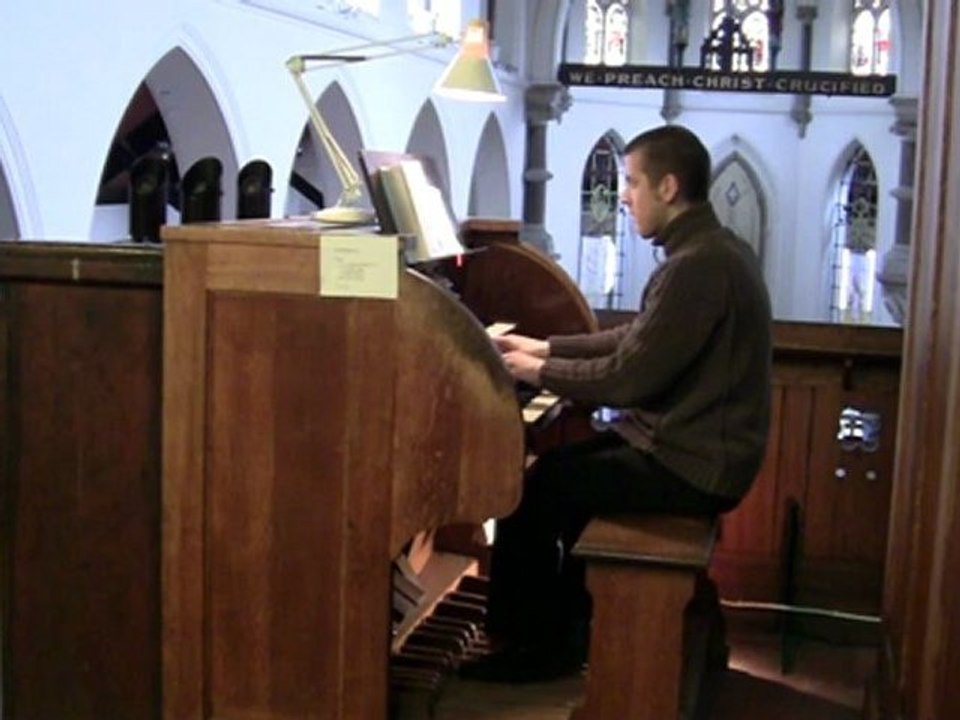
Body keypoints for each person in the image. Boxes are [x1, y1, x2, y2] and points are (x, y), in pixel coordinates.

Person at [460, 124, 772, 683]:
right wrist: (542, 345)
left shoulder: (698, 265)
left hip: (694, 462)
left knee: (533, 490)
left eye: (632, 182)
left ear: (669, 187)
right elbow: (635, 340)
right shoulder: (707, 251)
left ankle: (528, 646)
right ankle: (568, 634)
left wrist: (533, 369)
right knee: (557, 478)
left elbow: (629, 377)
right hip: (684, 445)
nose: (624, 195)